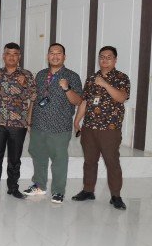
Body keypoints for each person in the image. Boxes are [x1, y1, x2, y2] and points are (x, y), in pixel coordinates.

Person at [22, 43, 82, 203]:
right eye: (52, 53)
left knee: (59, 159)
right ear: (47, 56)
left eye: (58, 53)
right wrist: (29, 119)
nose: (55, 56)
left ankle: (58, 191)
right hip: (39, 123)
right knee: (38, 156)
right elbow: (35, 99)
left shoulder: (72, 76)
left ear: (64, 56)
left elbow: (78, 101)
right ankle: (39, 185)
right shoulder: (41, 75)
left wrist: (67, 88)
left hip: (59, 126)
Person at [72, 46, 130, 210]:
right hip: (89, 127)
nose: (104, 60)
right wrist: (77, 121)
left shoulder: (121, 78)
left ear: (115, 60)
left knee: (112, 162)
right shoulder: (92, 78)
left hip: (110, 129)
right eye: (102, 57)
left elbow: (121, 98)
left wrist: (105, 84)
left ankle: (116, 196)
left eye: (108, 57)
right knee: (89, 161)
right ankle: (88, 190)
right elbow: (85, 101)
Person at [0, 42, 36, 199]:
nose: (12, 57)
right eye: (9, 54)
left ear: (19, 57)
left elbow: (33, 96)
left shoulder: (27, 75)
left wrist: (25, 84)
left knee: (15, 159)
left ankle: (13, 188)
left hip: (18, 124)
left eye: (15, 54)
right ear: (3, 56)